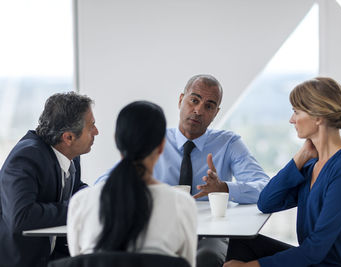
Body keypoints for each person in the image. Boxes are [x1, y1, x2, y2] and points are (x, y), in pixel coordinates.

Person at [95, 74, 270, 267]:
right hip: (157, 226)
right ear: (181, 100)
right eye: (194, 100)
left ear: (216, 113)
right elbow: (105, 182)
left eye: (209, 106)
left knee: (206, 258)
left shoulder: (228, 143)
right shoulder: (156, 138)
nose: (198, 110)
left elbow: (264, 188)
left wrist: (224, 188)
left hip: (210, 233)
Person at [224, 77, 341, 267]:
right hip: (316, 260)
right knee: (241, 243)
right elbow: (266, 202)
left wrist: (251, 266)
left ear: (318, 117)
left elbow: (314, 250)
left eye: (296, 112)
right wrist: (301, 156)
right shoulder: (312, 163)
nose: (291, 119)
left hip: (332, 264)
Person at [67, 101, 197, 266]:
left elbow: (80, 261)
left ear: (116, 141)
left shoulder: (81, 202)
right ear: (162, 146)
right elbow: (187, 263)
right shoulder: (182, 204)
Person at [0, 92, 98, 267]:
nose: (96, 132)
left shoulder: (70, 153)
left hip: (53, 258)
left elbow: (74, 187)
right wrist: (79, 208)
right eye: (91, 126)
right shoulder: (26, 157)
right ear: (68, 137)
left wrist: (92, 197)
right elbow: (21, 216)